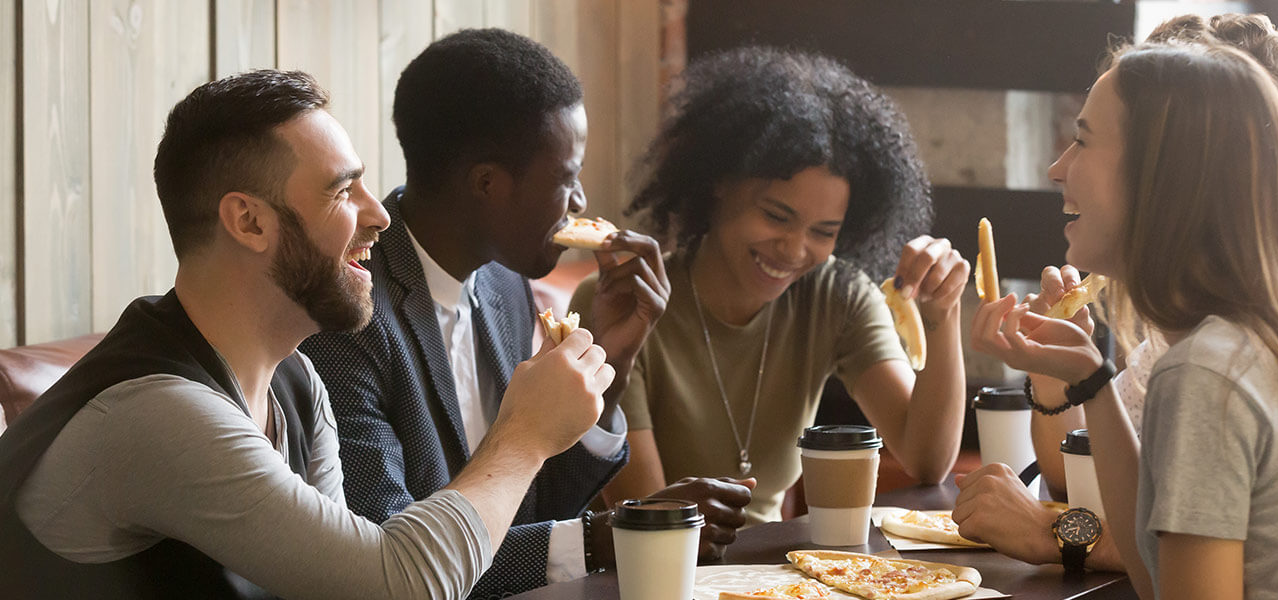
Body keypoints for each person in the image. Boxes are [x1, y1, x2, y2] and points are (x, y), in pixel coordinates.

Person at [0, 70, 612, 599]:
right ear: (248, 221)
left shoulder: (296, 379)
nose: (379, 215)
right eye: (342, 191)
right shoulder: (156, 412)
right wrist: (524, 435)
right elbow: (396, 585)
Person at [953, 14, 1278, 590]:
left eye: (1082, 141)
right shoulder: (1260, 331)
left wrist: (1055, 533)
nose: (1058, 169)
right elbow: (1155, 556)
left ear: (1162, 178)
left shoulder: (1211, 369)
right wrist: (1090, 380)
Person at [298, 28, 752, 597]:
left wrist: (609, 361)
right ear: (487, 183)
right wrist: (607, 538)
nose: (582, 202)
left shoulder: (504, 280)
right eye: (567, 178)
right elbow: (397, 562)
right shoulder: (348, 315)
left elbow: (529, 505)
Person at [572, 47, 971, 524]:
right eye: (776, 216)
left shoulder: (836, 297)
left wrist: (942, 315)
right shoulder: (622, 305)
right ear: (719, 182)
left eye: (823, 232)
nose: (794, 250)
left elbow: (926, 460)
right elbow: (654, 522)